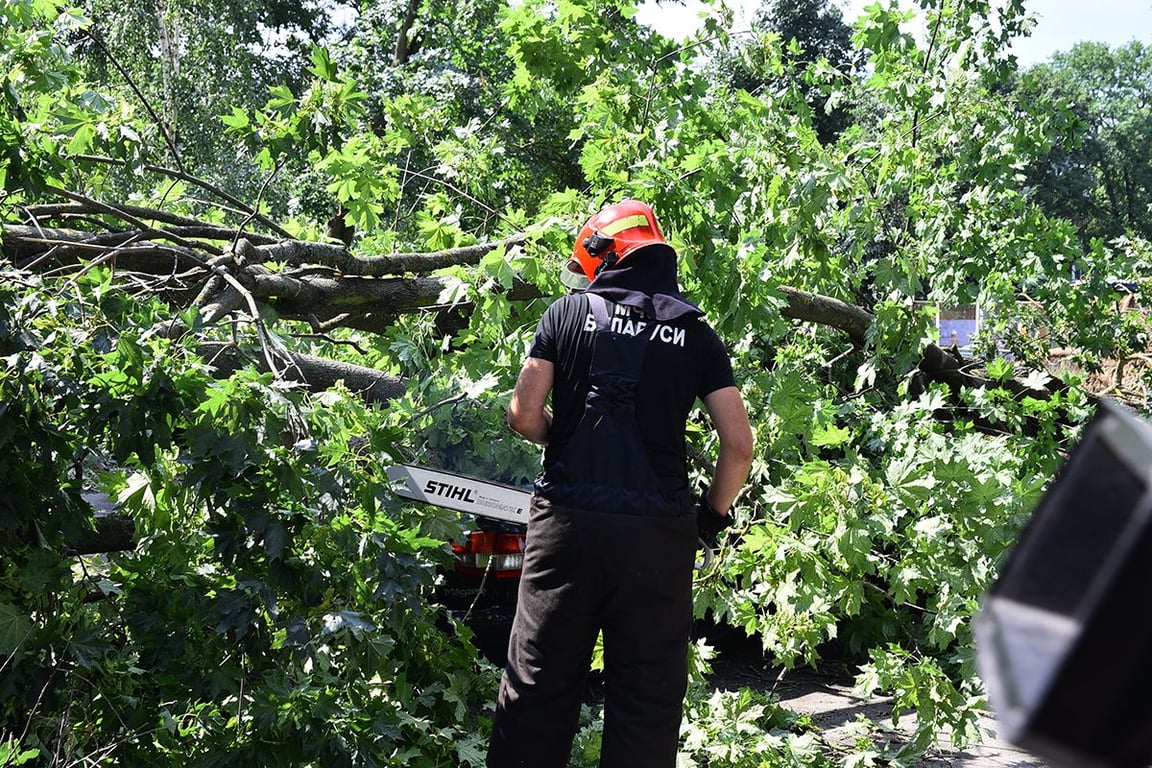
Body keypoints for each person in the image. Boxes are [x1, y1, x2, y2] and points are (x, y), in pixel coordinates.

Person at [487, 200, 754, 768]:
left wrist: (564, 438)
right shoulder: (697, 334)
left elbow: (523, 414)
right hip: (658, 537)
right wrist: (711, 518)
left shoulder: (565, 314)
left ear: (603, 256)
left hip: (568, 526)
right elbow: (738, 446)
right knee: (646, 704)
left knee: (536, 687)